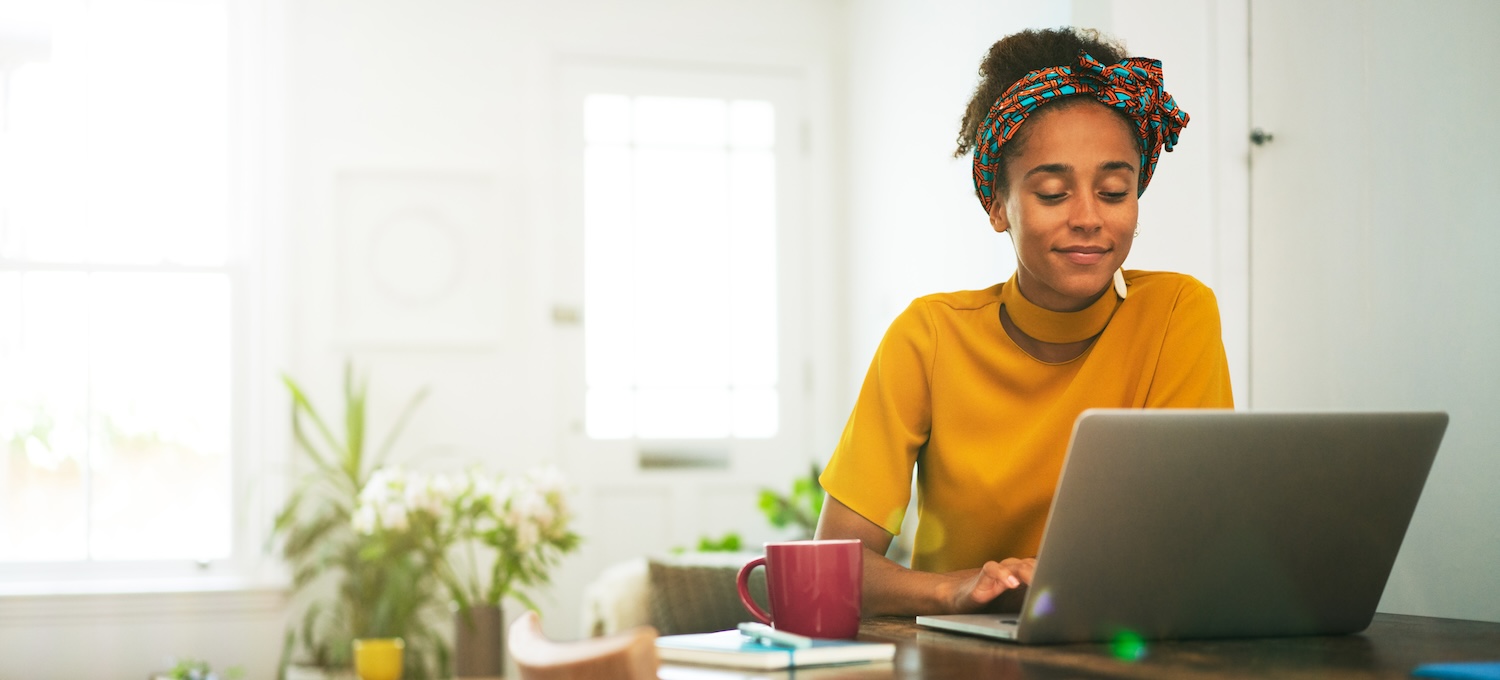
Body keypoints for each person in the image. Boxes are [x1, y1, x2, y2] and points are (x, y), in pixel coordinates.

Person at [813, 27, 1234, 617]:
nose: (1089, 218)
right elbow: (831, 565)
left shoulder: (1175, 313)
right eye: (1054, 194)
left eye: (1115, 191)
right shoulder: (929, 335)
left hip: (1123, 648)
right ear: (996, 205)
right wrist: (957, 588)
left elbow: (1194, 544)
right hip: (959, 654)